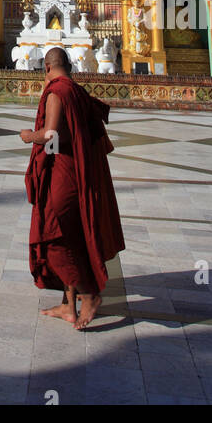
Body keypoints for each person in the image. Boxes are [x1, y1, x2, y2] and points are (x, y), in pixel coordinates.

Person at [20, 46, 125, 331]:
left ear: (46, 68)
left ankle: (89, 294)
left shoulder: (57, 92)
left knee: (54, 237)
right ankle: (69, 305)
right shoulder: (76, 90)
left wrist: (30, 136)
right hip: (76, 170)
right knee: (71, 235)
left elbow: (51, 135)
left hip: (63, 174)